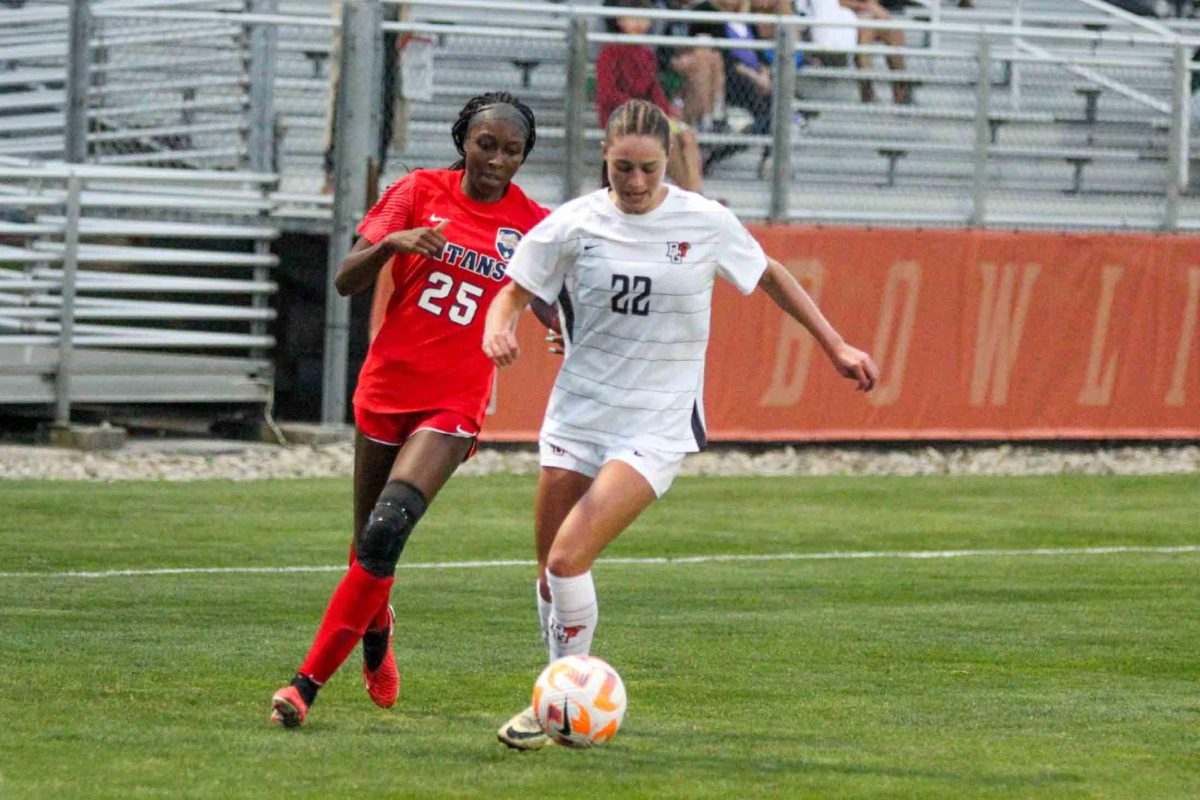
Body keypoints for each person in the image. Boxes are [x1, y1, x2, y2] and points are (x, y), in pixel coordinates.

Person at [483, 98, 879, 750]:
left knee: (567, 556)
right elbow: (514, 291)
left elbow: (771, 275)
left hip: (657, 422)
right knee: (550, 576)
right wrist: (498, 330)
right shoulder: (572, 224)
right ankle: (555, 697)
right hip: (578, 413)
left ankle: (562, 698)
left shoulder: (704, 222)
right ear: (603, 160)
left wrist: (835, 345)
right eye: (621, 170)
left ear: (669, 163)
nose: (634, 183)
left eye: (647, 169)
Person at [270, 91, 554, 728]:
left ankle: (303, 687)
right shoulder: (418, 190)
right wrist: (393, 243)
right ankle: (378, 628)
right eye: (486, 144)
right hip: (385, 387)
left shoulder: (534, 223)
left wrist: (558, 325)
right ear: (464, 140)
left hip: (456, 400)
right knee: (367, 542)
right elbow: (346, 278)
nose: (497, 160)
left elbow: (550, 295)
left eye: (512, 150)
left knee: (389, 525)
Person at [597, 0, 705, 193]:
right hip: (623, 116)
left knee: (687, 135)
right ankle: (686, 191)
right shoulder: (610, 52)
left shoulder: (646, 54)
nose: (639, 23)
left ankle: (697, 193)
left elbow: (654, 90)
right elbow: (608, 94)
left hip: (649, 116)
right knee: (667, 137)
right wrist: (642, 110)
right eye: (633, 18)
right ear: (620, 21)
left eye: (643, 18)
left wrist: (667, 113)